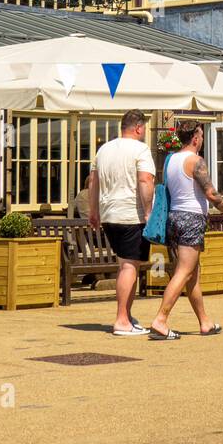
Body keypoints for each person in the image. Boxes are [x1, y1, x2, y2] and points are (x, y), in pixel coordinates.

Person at [149, 123, 223, 342]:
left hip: (173, 217)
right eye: (200, 135)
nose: (201, 139)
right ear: (195, 139)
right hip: (191, 218)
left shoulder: (170, 160)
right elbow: (210, 193)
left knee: (192, 274)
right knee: (183, 271)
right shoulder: (196, 161)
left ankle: (204, 322)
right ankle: (160, 320)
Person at [89, 109, 156, 337]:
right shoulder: (141, 149)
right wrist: (149, 212)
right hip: (131, 214)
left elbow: (93, 182)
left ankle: (126, 316)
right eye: (144, 128)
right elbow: (146, 180)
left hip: (109, 214)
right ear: (138, 127)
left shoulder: (104, 149)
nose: (144, 132)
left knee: (125, 265)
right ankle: (121, 320)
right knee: (129, 267)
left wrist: (93, 211)